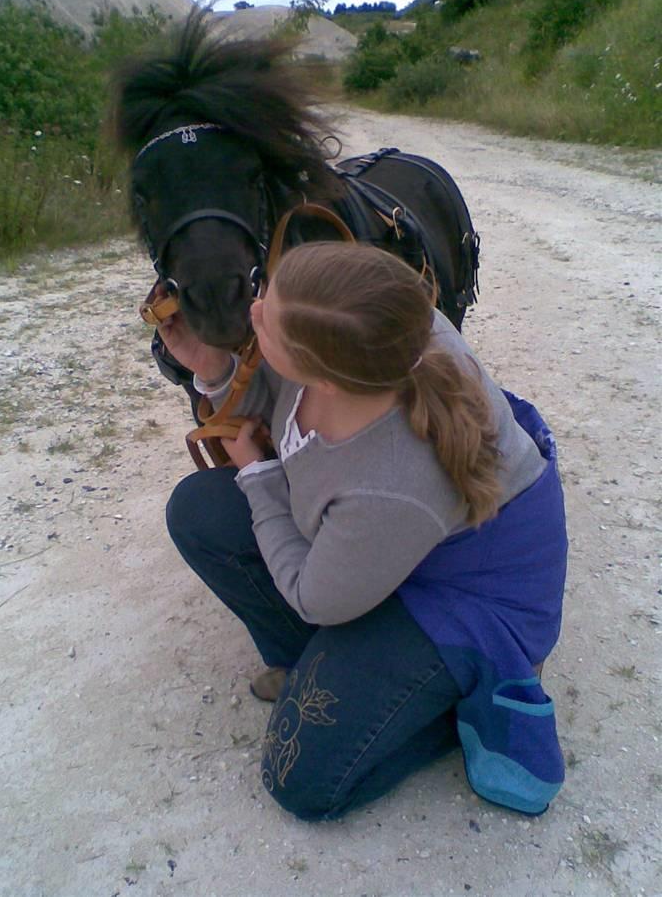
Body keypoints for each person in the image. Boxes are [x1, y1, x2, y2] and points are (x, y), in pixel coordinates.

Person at [158, 241, 568, 821]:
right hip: (387, 546)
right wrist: (216, 370)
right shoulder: (364, 345)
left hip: (465, 598)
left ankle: (439, 711)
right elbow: (274, 399)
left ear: (322, 374)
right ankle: (334, 669)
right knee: (200, 511)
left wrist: (257, 474)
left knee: (298, 777)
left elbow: (311, 595)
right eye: (265, 287)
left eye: (267, 317)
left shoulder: (391, 478)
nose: (252, 311)